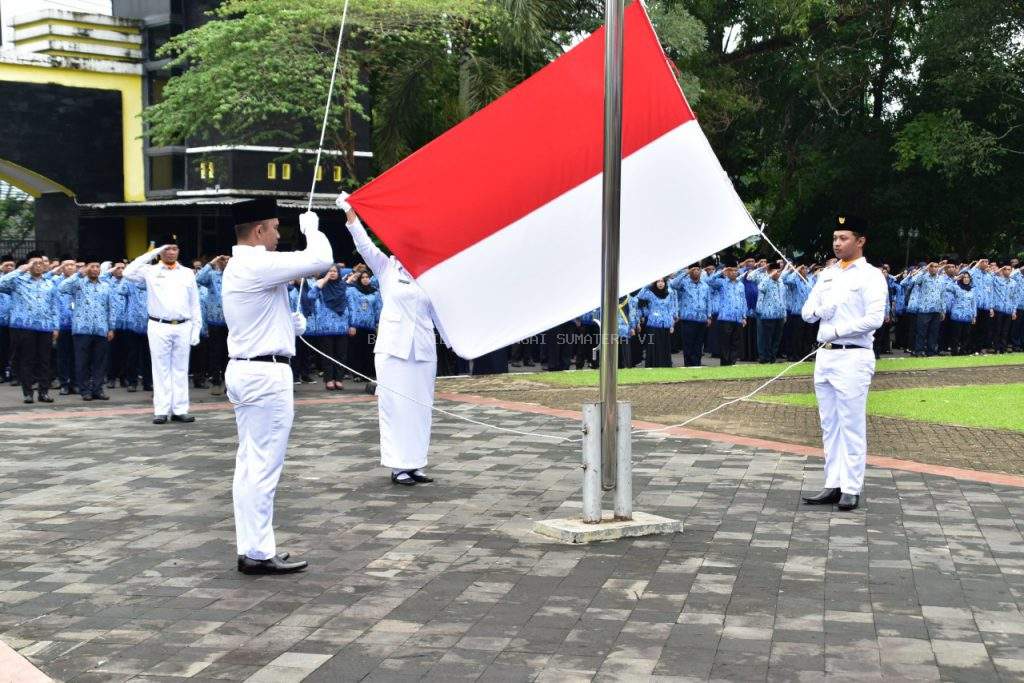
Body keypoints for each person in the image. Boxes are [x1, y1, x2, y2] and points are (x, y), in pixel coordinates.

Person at [222, 198, 332, 575]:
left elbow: (263, 312)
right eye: (274, 227)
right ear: (258, 231)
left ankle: (254, 546)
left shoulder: (243, 265)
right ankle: (257, 551)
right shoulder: (255, 262)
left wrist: (289, 324)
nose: (278, 234)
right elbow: (321, 260)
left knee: (250, 464)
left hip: (250, 369)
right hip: (264, 376)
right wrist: (312, 229)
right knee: (263, 467)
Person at [339, 191, 452, 486]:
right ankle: (398, 465)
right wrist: (351, 213)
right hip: (393, 349)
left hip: (423, 350)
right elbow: (364, 245)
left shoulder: (428, 275)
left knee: (420, 408)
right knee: (395, 407)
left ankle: (415, 464)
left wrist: (458, 342)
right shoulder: (387, 268)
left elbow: (440, 313)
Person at [800, 215, 887, 512]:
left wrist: (838, 328)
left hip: (853, 354)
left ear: (860, 241)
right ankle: (833, 483)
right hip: (825, 354)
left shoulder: (870, 275)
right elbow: (807, 311)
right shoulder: (828, 274)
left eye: (844, 238)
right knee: (829, 424)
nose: (837, 244)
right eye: (835, 238)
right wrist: (820, 310)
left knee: (851, 424)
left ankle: (851, 487)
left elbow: (874, 319)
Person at [124, 235, 203, 424]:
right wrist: (153, 252)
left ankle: (180, 409)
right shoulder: (150, 271)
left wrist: (196, 328)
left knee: (181, 369)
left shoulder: (186, 273)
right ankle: (161, 410)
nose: (170, 252)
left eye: (174, 248)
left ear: (178, 251)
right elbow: (128, 272)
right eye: (166, 249)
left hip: (183, 325)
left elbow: (194, 303)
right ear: (161, 252)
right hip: (159, 325)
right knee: (160, 369)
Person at [0, 256, 59, 403]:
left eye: (41, 263)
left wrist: (55, 326)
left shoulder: (50, 283)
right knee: (27, 360)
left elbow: (55, 306)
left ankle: (43, 392)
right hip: (24, 327)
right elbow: (2, 283)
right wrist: (20, 270)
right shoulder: (18, 281)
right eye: (34, 263)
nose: (38, 266)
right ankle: (28, 392)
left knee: (44, 360)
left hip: (45, 327)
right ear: (28, 265)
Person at [58, 257, 117, 401]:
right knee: (82, 361)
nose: (95, 269)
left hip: (101, 329)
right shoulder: (78, 283)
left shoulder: (106, 285)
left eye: (97, 266)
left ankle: (98, 389)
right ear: (86, 268)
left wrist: (111, 328)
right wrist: (78, 274)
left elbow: (111, 308)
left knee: (100, 362)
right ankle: (84, 390)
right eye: (92, 266)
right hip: (82, 330)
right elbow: (62, 287)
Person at [305, 265, 353, 390]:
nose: (332, 273)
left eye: (335, 271)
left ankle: (339, 379)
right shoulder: (321, 286)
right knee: (328, 354)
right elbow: (311, 296)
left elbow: (350, 305)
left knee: (341, 354)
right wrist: (323, 281)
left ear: (339, 273)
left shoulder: (343, 286)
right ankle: (329, 379)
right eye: (330, 271)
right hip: (325, 327)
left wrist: (352, 324)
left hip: (342, 326)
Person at [197, 255, 230, 395]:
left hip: (232, 320)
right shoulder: (211, 276)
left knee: (230, 353)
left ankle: (230, 383)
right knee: (215, 352)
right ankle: (216, 381)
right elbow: (198, 279)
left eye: (227, 260)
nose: (225, 262)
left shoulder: (236, 276)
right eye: (222, 260)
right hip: (214, 320)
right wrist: (211, 263)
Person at [707, 262, 748, 366]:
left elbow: (743, 300)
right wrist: (721, 271)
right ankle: (725, 363)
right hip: (725, 318)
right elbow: (709, 281)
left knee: (736, 342)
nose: (734, 272)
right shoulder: (722, 282)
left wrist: (744, 316)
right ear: (727, 273)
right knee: (725, 342)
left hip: (738, 318)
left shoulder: (741, 285)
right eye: (731, 271)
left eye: (735, 271)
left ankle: (732, 362)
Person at [747, 263, 787, 363]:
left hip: (779, 314)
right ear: (770, 271)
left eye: (779, 271)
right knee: (765, 338)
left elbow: (783, 298)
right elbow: (757, 284)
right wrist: (764, 270)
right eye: (775, 271)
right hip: (766, 315)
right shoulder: (764, 279)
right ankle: (764, 358)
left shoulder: (781, 282)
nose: (778, 273)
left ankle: (772, 357)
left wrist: (785, 313)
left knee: (776, 339)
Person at [671, 266, 711, 367]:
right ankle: (688, 365)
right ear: (690, 273)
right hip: (688, 319)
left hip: (702, 319)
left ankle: (697, 364)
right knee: (688, 344)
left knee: (698, 344)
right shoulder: (684, 284)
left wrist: (709, 316)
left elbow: (708, 301)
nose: (696, 271)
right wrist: (685, 273)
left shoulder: (705, 285)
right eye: (693, 270)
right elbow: (673, 284)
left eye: (698, 270)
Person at [345, 271, 381, 382]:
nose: (365, 279)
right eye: (363, 277)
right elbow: (349, 305)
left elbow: (378, 309)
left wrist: (378, 324)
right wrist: (351, 324)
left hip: (370, 326)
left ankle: (368, 373)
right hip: (357, 326)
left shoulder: (375, 292)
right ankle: (357, 374)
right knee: (357, 350)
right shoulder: (353, 290)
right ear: (359, 279)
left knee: (369, 350)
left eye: (367, 277)